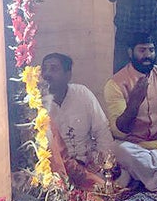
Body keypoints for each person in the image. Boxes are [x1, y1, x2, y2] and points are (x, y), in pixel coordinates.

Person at [103, 32, 157, 191]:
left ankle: (150, 174)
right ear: (130, 52)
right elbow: (119, 131)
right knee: (119, 149)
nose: (148, 55)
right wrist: (134, 102)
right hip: (137, 147)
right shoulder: (115, 84)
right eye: (142, 50)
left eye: (151, 50)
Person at [41, 53, 118, 190]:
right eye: (44, 69)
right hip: (59, 169)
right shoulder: (37, 103)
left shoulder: (82, 94)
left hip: (90, 165)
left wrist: (102, 163)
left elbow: (102, 130)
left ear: (68, 74)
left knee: (113, 185)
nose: (47, 74)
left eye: (53, 69)